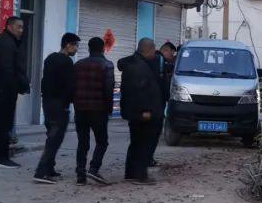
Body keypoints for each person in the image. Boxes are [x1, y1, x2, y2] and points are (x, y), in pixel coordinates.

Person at [33, 33, 80, 184]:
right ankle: (41, 172)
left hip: (47, 103)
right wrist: (70, 102)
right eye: (75, 45)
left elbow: (45, 81)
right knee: (55, 139)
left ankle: (49, 169)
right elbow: (70, 85)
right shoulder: (66, 62)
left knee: (51, 136)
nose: (76, 49)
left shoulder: (50, 59)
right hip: (60, 105)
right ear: (68, 45)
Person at [0, 16, 29, 169]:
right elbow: (8, 69)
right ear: (10, 26)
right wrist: (16, 86)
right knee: (3, 124)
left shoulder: (6, 41)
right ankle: (1, 158)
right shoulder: (6, 43)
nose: (21, 30)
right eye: (19, 27)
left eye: (22, 27)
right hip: (4, 90)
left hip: (0, 89)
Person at [119, 38, 164, 185]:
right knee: (144, 144)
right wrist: (145, 110)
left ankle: (131, 173)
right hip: (143, 113)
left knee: (137, 143)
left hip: (136, 112)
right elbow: (139, 92)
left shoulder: (135, 63)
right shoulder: (139, 67)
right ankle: (139, 175)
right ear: (148, 49)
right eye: (153, 50)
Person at [72, 36, 115, 185]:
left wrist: (75, 104)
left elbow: (73, 87)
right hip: (99, 110)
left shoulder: (77, 65)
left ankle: (80, 174)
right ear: (103, 48)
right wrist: (109, 109)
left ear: (89, 48)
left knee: (82, 142)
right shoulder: (107, 65)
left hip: (80, 110)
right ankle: (94, 169)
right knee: (102, 141)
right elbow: (109, 89)